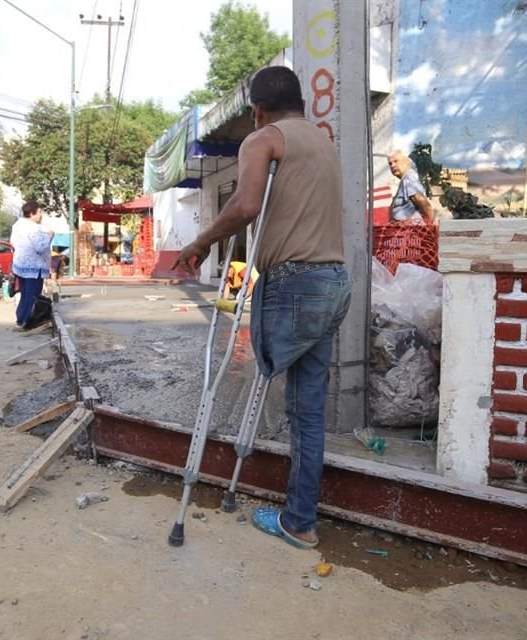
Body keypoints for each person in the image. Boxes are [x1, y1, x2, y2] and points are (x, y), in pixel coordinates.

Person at [173, 66, 351, 550]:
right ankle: (300, 520)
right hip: (334, 282)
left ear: (257, 110)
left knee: (273, 388)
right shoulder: (322, 144)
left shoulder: (263, 140)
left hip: (293, 283)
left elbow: (246, 206)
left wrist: (199, 244)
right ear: (302, 103)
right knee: (308, 410)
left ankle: (291, 515)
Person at [10, 200, 53, 328]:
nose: (41, 215)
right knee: (33, 295)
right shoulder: (33, 228)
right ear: (32, 213)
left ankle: (20, 319)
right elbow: (40, 247)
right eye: (39, 212)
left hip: (21, 265)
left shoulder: (17, 225)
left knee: (25, 294)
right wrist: (50, 236)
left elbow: (13, 242)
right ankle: (28, 321)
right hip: (34, 267)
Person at [388, 151, 435, 224]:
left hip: (412, 231)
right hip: (406, 231)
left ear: (406, 162)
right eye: (390, 163)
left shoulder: (408, 178)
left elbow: (423, 203)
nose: (392, 165)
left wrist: (429, 227)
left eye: (396, 161)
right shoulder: (406, 179)